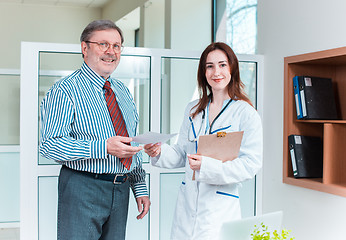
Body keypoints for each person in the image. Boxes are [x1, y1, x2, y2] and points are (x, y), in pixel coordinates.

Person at [39, 20, 150, 240]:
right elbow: (49, 145)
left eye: (117, 46)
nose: (111, 52)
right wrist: (104, 147)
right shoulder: (64, 90)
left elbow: (130, 143)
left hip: (121, 189)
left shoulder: (123, 92)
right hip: (82, 187)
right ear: (84, 48)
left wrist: (140, 187)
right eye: (103, 44)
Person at [144, 42, 263, 240]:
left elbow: (250, 164)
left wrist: (208, 166)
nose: (216, 72)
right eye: (210, 66)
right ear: (203, 72)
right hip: (187, 208)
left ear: (232, 68)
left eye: (222, 65)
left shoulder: (246, 113)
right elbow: (182, 153)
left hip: (220, 210)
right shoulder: (193, 110)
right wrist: (159, 151)